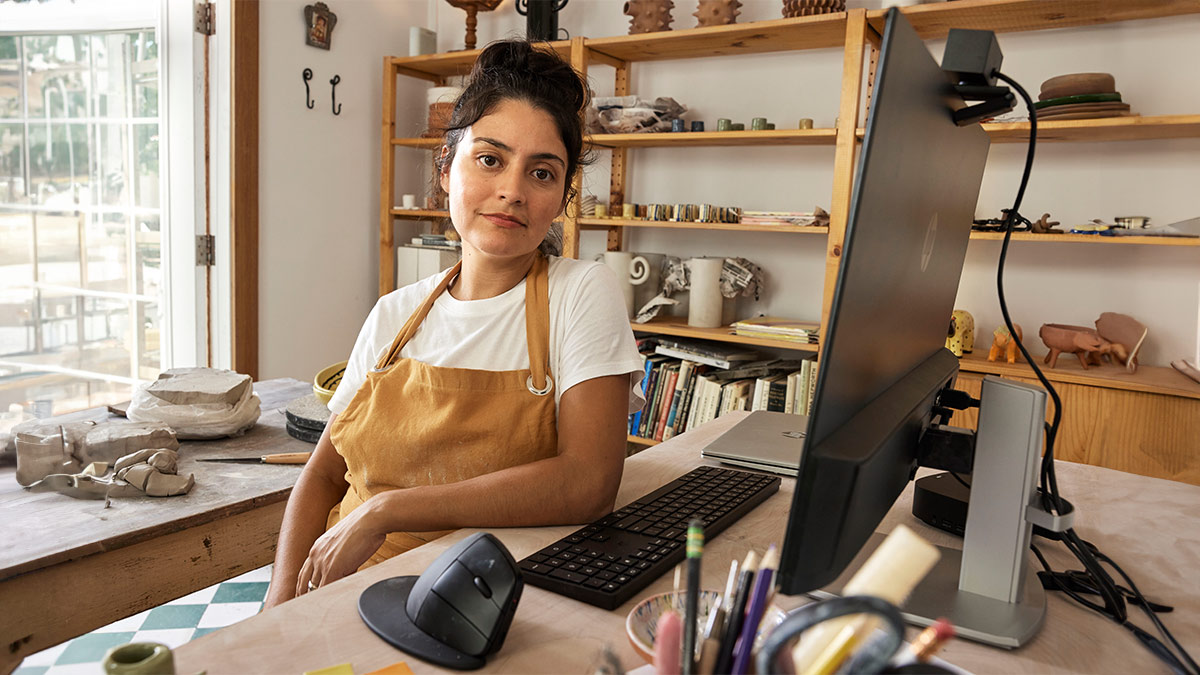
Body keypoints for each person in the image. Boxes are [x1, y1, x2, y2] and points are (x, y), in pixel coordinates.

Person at [264, 40, 645, 608]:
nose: (512, 191)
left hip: (473, 599)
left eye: (542, 173)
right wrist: (278, 604)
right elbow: (322, 477)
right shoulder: (395, 314)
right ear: (446, 170)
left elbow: (588, 484)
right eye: (490, 159)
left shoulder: (578, 293)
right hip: (341, 585)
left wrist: (388, 510)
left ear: (561, 196)